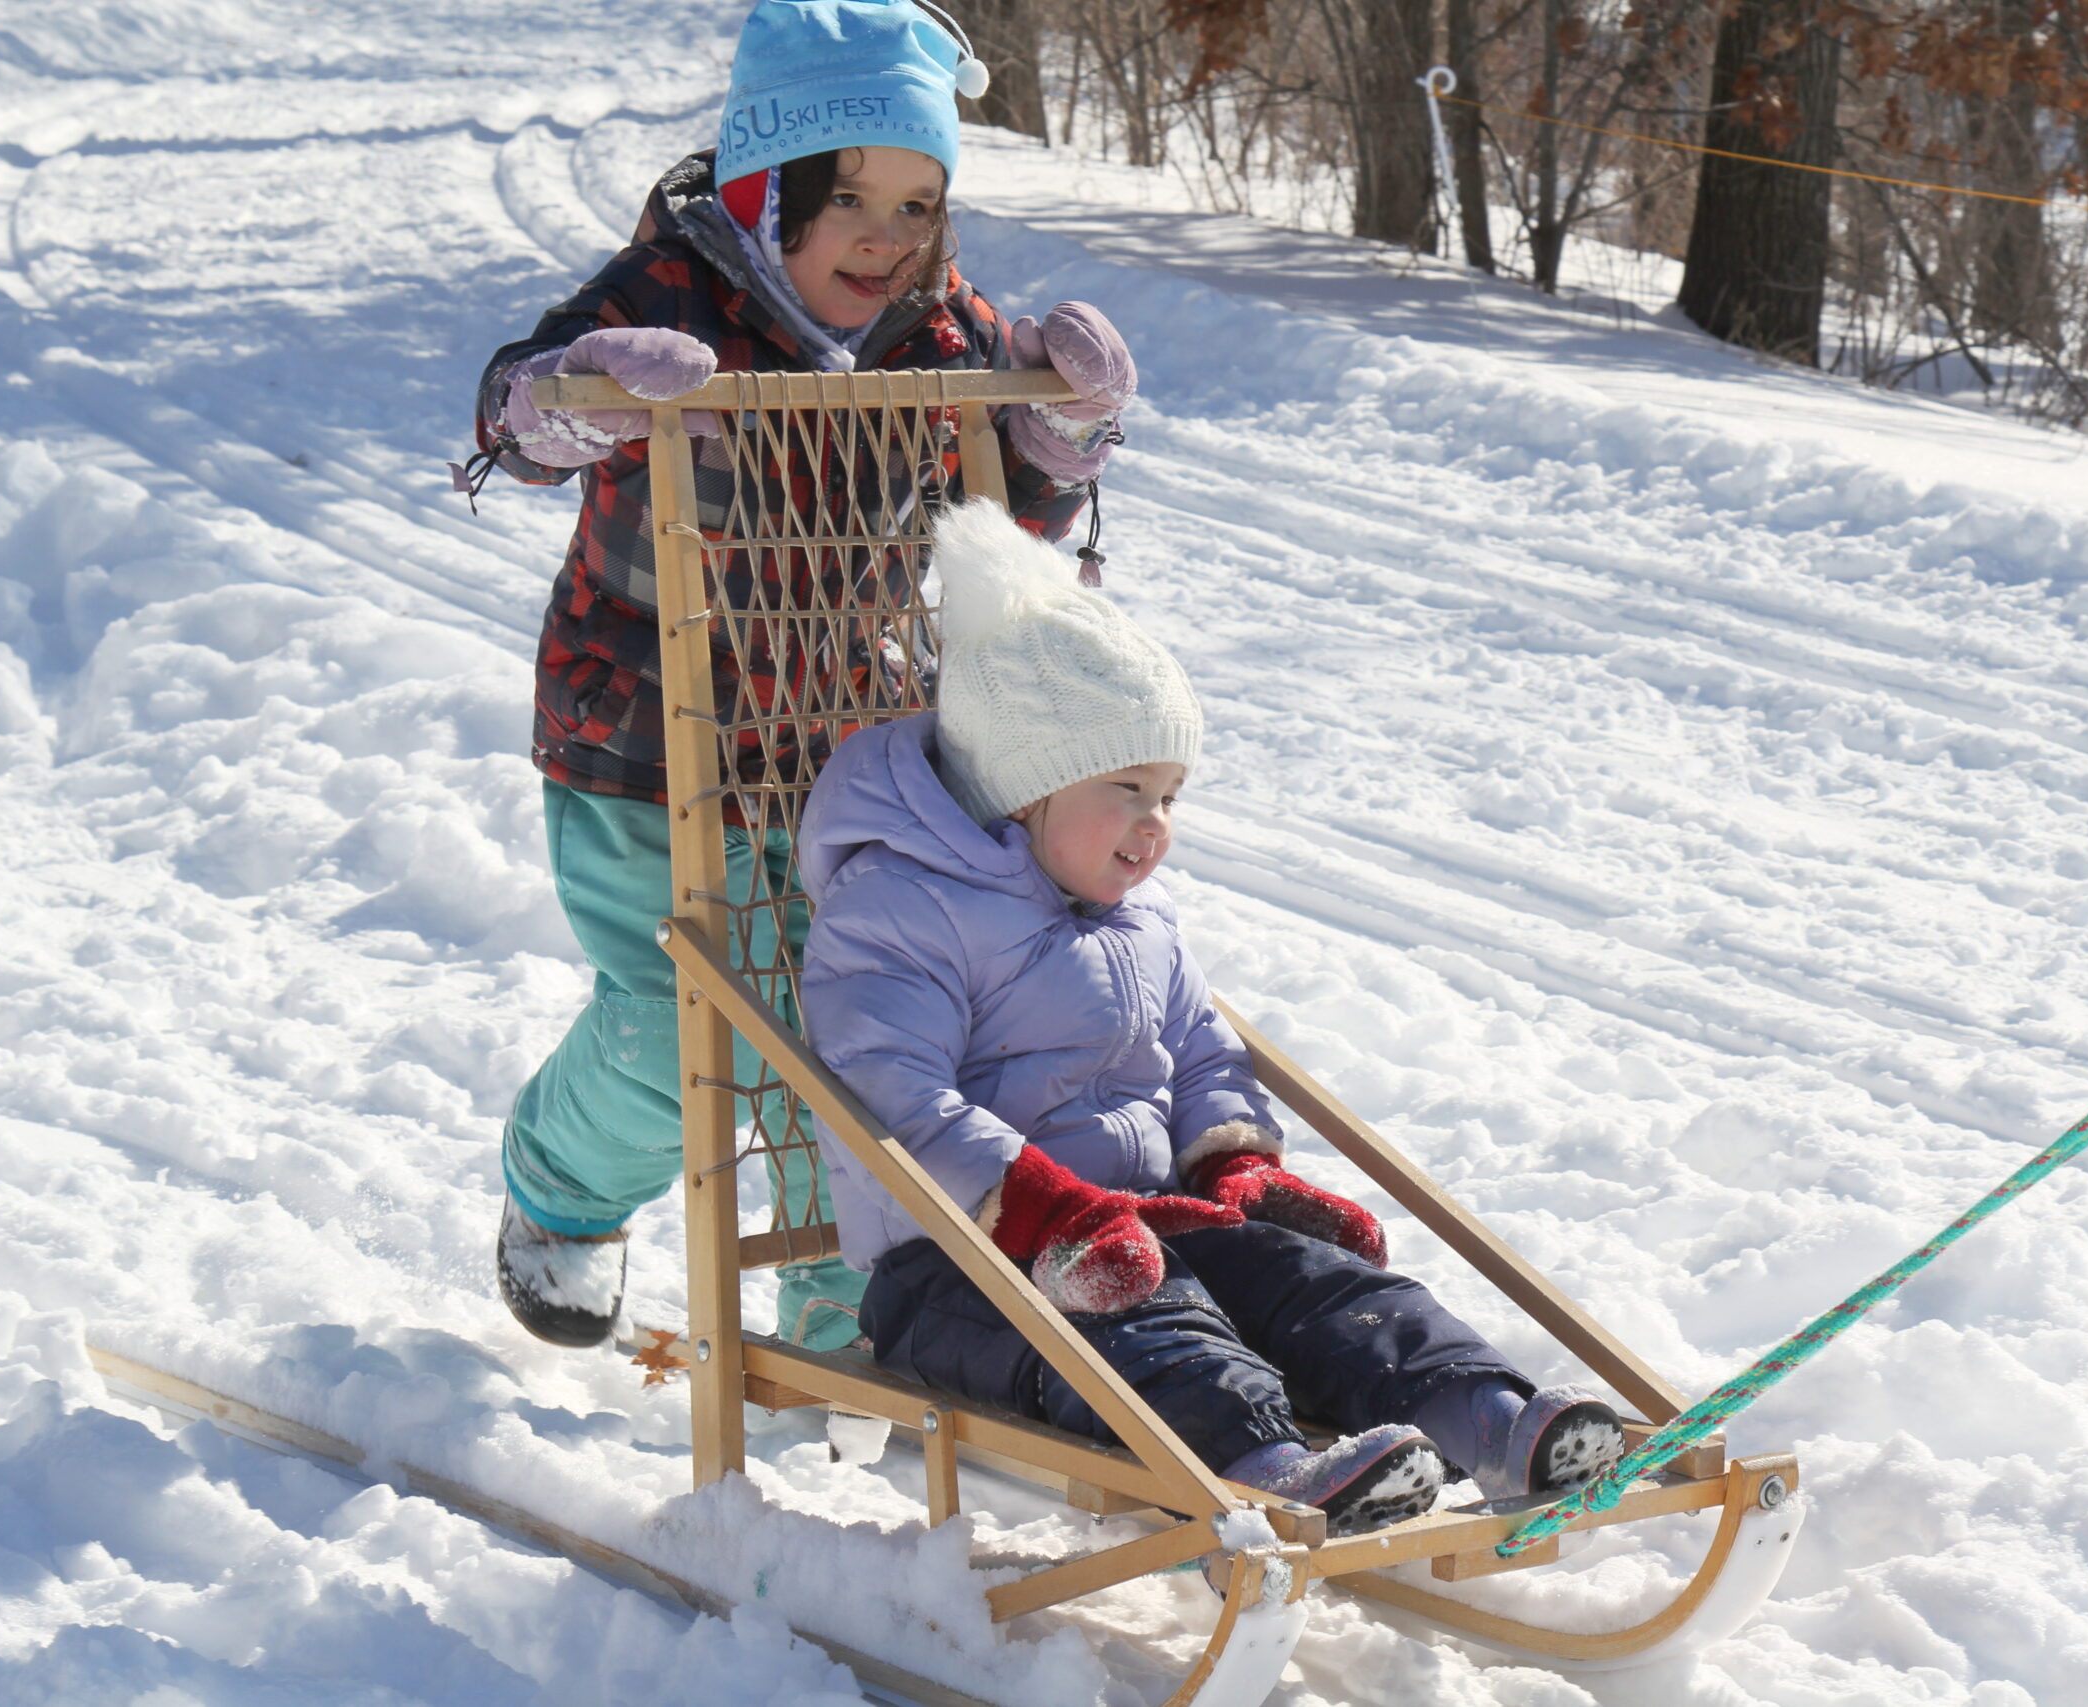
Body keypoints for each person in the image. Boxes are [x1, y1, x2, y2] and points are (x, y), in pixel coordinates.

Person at [465, 0, 1132, 1353]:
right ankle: (562, 1190)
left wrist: (1056, 437)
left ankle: (852, 1328)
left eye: (917, 204)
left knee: (862, 1030)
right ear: (765, 190)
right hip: (641, 744)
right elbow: (512, 414)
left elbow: (992, 526)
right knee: (694, 1028)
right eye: (850, 201)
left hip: (843, 748)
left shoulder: (941, 334)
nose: (887, 238)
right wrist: (570, 395)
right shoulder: (664, 293)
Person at [794, 500, 1629, 1534]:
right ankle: (1267, 1470)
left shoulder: (1139, 916)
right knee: (1152, 1326)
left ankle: (1489, 1420)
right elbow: (889, 1098)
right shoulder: (900, 907)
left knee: (1312, 1285)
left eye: (1172, 795)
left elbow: (1198, 1053)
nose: (1156, 826)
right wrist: (1047, 1209)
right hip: (961, 1268)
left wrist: (1232, 1161)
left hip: (1141, 1222)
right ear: (1023, 786)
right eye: (1128, 788)